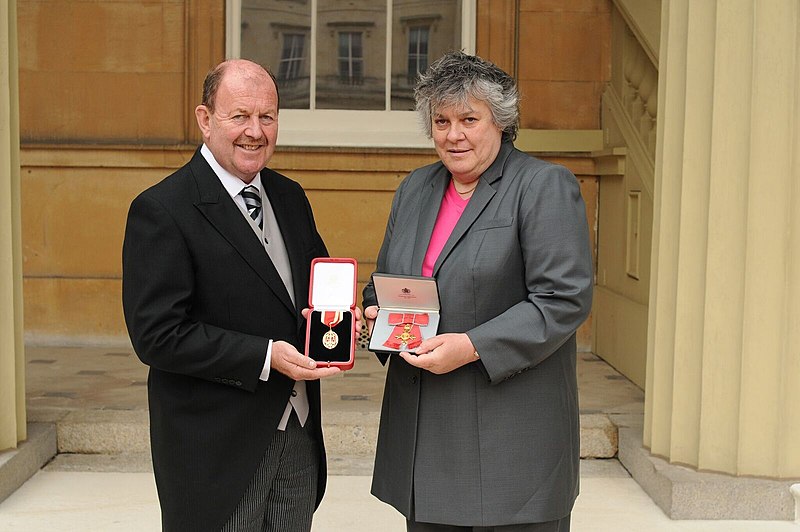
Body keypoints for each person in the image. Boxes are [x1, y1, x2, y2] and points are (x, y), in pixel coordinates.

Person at [362, 51, 593, 531]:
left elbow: (562, 299)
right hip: (425, 438)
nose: (453, 134)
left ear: (501, 123)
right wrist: (372, 312)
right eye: (441, 120)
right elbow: (388, 280)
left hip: (509, 442)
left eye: (469, 119)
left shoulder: (542, 185)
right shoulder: (415, 189)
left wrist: (470, 346)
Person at [122, 59, 355, 532]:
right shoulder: (162, 209)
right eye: (240, 116)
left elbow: (316, 291)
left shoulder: (289, 196)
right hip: (217, 453)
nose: (255, 131)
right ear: (205, 120)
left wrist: (354, 317)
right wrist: (265, 356)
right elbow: (157, 335)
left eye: (267, 116)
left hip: (298, 437)